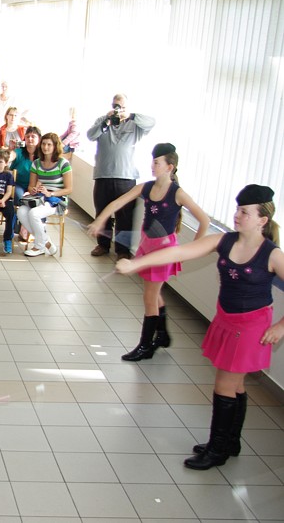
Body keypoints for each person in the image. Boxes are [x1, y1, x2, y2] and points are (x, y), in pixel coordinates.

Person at [116, 184, 284, 471]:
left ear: (262, 220)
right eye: (237, 210)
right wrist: (136, 264)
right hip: (226, 318)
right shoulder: (224, 241)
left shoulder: (273, 254)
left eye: (245, 212)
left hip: (251, 326)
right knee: (236, 384)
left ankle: (217, 450)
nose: (237, 215)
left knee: (224, 385)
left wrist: (281, 326)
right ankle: (230, 441)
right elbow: (179, 252)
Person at [89, 144, 210, 361]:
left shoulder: (177, 193)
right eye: (152, 161)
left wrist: (192, 250)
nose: (152, 166)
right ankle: (162, 334)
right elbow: (117, 202)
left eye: (157, 162)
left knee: (149, 297)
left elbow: (204, 220)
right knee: (153, 293)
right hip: (147, 245)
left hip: (164, 250)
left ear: (169, 167)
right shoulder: (146, 187)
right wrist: (100, 220)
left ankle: (145, 346)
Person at [86, 93, 156, 258]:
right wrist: (106, 121)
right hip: (103, 176)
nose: (118, 110)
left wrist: (130, 115)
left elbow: (151, 122)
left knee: (124, 217)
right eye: (116, 106)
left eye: (122, 107)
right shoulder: (103, 120)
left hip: (126, 178)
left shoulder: (134, 124)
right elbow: (90, 135)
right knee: (102, 212)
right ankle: (102, 245)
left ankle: (123, 251)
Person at [17, 132, 72, 257]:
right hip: (40, 198)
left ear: (55, 146)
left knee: (34, 213)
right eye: (43, 144)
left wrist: (50, 193)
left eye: (49, 144)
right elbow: (31, 186)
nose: (45, 147)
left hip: (57, 200)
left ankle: (39, 246)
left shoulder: (63, 163)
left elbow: (69, 189)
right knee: (21, 211)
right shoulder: (36, 163)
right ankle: (46, 241)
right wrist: (33, 190)